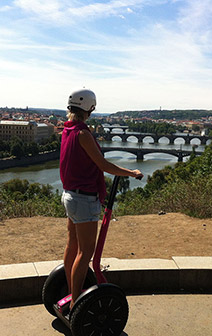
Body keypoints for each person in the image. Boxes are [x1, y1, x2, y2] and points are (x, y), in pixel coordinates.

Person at [60, 88, 143, 309]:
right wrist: (131, 172)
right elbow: (104, 165)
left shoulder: (67, 130)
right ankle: (76, 303)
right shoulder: (83, 134)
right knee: (85, 252)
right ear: (91, 109)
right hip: (84, 199)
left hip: (69, 195)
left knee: (72, 246)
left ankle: (71, 292)